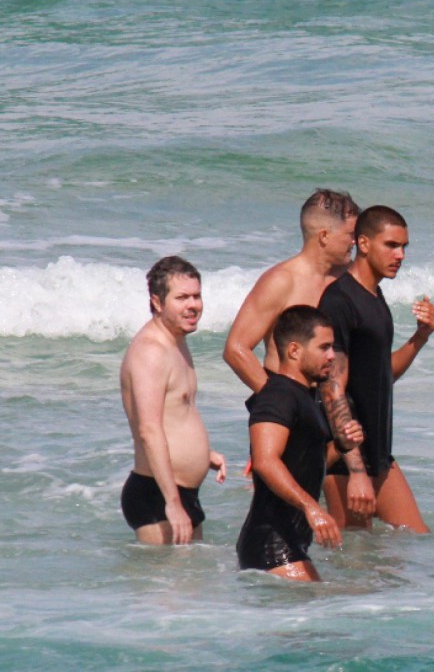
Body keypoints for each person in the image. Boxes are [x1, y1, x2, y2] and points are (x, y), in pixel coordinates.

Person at [318, 205, 434, 531]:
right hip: (348, 459)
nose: (400, 255)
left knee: (415, 542)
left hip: (380, 454)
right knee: (352, 571)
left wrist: (421, 336)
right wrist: (356, 471)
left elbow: (382, 374)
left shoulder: (374, 297)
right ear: (364, 242)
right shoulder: (339, 300)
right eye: (391, 245)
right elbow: (331, 388)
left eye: (404, 247)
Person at [236, 306, 364, 581]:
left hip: (289, 545)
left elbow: (308, 462)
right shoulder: (277, 396)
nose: (332, 356)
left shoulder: (305, 396)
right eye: (324, 347)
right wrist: (312, 508)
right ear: (294, 350)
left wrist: (340, 446)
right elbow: (265, 461)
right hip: (271, 547)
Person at [119, 256, 226, 545]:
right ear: (157, 301)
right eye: (182, 298)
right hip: (158, 494)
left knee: (190, 586)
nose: (193, 305)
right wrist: (172, 502)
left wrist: (203, 454)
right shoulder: (151, 351)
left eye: (197, 296)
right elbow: (149, 430)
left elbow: (176, 413)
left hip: (180, 492)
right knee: (166, 588)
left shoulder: (176, 341)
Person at [223, 189, 360, 394]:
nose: (355, 242)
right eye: (350, 235)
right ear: (324, 235)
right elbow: (236, 349)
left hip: (336, 403)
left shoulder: (350, 277)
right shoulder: (282, 281)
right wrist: (278, 400)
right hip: (290, 395)